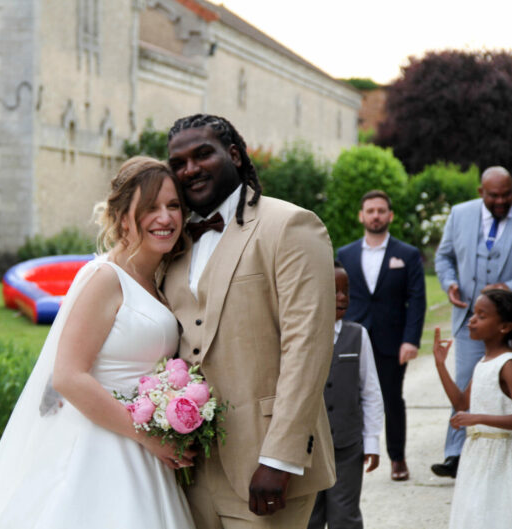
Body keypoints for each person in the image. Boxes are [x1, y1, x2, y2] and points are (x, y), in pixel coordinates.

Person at [0, 157, 196, 529]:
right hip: (102, 445)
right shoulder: (106, 278)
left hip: (143, 451)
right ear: (123, 217)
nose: (165, 218)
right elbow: (68, 377)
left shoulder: (157, 279)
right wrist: (147, 437)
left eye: (173, 206)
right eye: (150, 207)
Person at [163, 114, 336, 529]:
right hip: (189, 467)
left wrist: (280, 457)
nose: (190, 169)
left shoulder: (291, 225)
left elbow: (307, 348)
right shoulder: (174, 242)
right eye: (179, 162)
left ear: (235, 155)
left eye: (203, 154)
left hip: (266, 462)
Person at [336, 190, 426, 481]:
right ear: (362, 216)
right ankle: (352, 455)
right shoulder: (344, 254)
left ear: (390, 215)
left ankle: (397, 458)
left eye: (381, 210)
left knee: (392, 399)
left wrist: (410, 340)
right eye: (370, 210)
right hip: (352, 338)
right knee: (350, 397)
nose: (376, 215)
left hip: (392, 340)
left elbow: (417, 299)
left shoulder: (408, 254)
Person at [432, 165, 512, 478]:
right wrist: (450, 282)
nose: (502, 201)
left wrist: (508, 288)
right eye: (494, 195)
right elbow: (444, 256)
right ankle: (455, 455)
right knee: (467, 381)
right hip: (470, 319)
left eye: (507, 194)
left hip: (509, 321)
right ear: (481, 193)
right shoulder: (460, 214)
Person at [307, 261, 384, 529]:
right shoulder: (300, 336)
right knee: (309, 517)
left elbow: (371, 391)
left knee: (345, 516)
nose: (342, 297)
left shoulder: (358, 335)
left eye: (346, 291)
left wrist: (371, 441)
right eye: (333, 290)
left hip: (348, 446)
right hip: (308, 448)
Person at [432, 289, 512, 529]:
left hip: (501, 456)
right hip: (476, 456)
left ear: (504, 327)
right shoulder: (483, 362)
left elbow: (470, 413)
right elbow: (461, 404)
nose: (472, 320)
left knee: (496, 514)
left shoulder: (506, 364)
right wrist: (440, 364)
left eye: (481, 315)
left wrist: (477, 418)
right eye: (472, 314)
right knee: (474, 515)